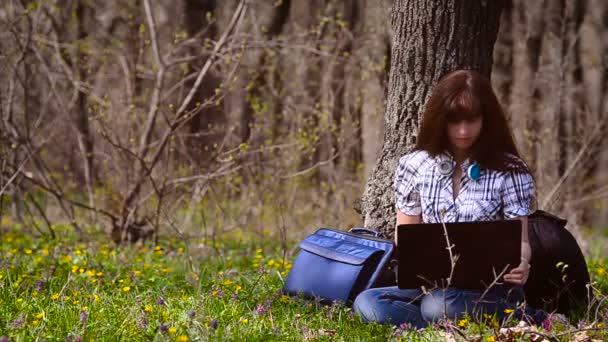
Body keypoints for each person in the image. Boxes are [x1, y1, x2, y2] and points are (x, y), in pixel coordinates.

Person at [353, 69, 548, 329]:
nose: (463, 130)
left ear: (486, 120)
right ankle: (448, 324)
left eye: (472, 120)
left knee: (440, 305)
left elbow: (521, 239)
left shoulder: (510, 170)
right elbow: (406, 234)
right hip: (430, 288)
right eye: (454, 121)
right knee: (368, 302)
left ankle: (526, 316)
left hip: (492, 289)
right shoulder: (414, 165)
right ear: (439, 119)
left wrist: (522, 263)